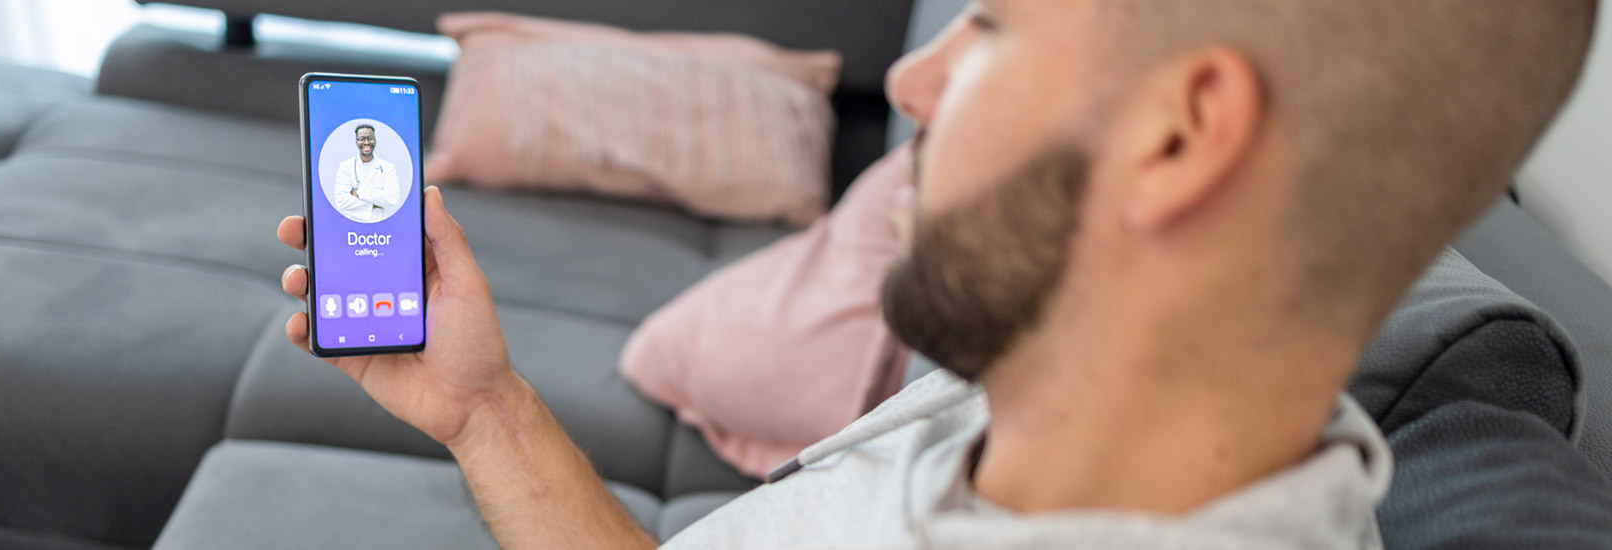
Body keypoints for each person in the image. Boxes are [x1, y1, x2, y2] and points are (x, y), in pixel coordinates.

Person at [273, 1, 1597, 548]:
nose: (911, 81)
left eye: (995, 28)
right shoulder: (1027, 404)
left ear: (1182, 136)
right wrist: (482, 404)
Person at [331, 123, 400, 223]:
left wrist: (359, 193)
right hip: (352, 228)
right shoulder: (346, 166)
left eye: (370, 138)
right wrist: (375, 204)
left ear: (375, 140)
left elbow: (393, 199)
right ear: (356, 142)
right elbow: (341, 201)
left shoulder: (387, 167)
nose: (366, 142)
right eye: (362, 139)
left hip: (381, 229)